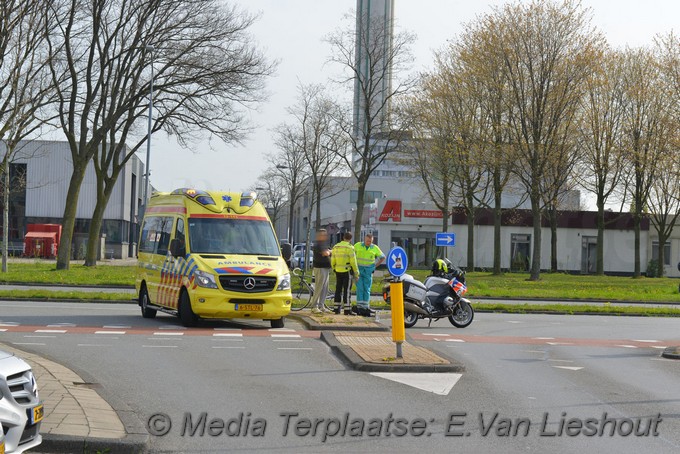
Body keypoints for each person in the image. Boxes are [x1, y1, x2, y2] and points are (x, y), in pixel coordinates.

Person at [353, 233, 385, 316]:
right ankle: (360, 306)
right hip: (359, 270)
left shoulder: (374, 248)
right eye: (367, 241)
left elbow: (382, 257)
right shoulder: (357, 245)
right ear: (364, 239)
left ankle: (366, 306)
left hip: (368, 271)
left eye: (370, 241)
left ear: (372, 241)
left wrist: (375, 266)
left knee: (367, 289)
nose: (368, 243)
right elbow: (351, 255)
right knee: (360, 288)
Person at [331, 232, 359, 315]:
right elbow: (353, 262)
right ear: (350, 239)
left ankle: (336, 308)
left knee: (338, 289)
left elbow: (333, 259)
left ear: (343, 237)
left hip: (338, 270)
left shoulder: (336, 247)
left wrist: (334, 268)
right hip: (347, 271)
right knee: (347, 290)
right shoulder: (350, 248)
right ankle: (347, 310)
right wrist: (356, 273)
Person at [309, 230, 332, 313]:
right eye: (323, 234)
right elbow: (325, 253)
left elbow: (327, 252)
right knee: (319, 287)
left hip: (326, 268)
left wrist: (329, 251)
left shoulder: (324, 244)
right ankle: (314, 306)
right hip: (320, 267)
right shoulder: (318, 244)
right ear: (319, 236)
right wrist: (330, 251)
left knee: (325, 288)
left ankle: (321, 305)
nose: (325, 236)